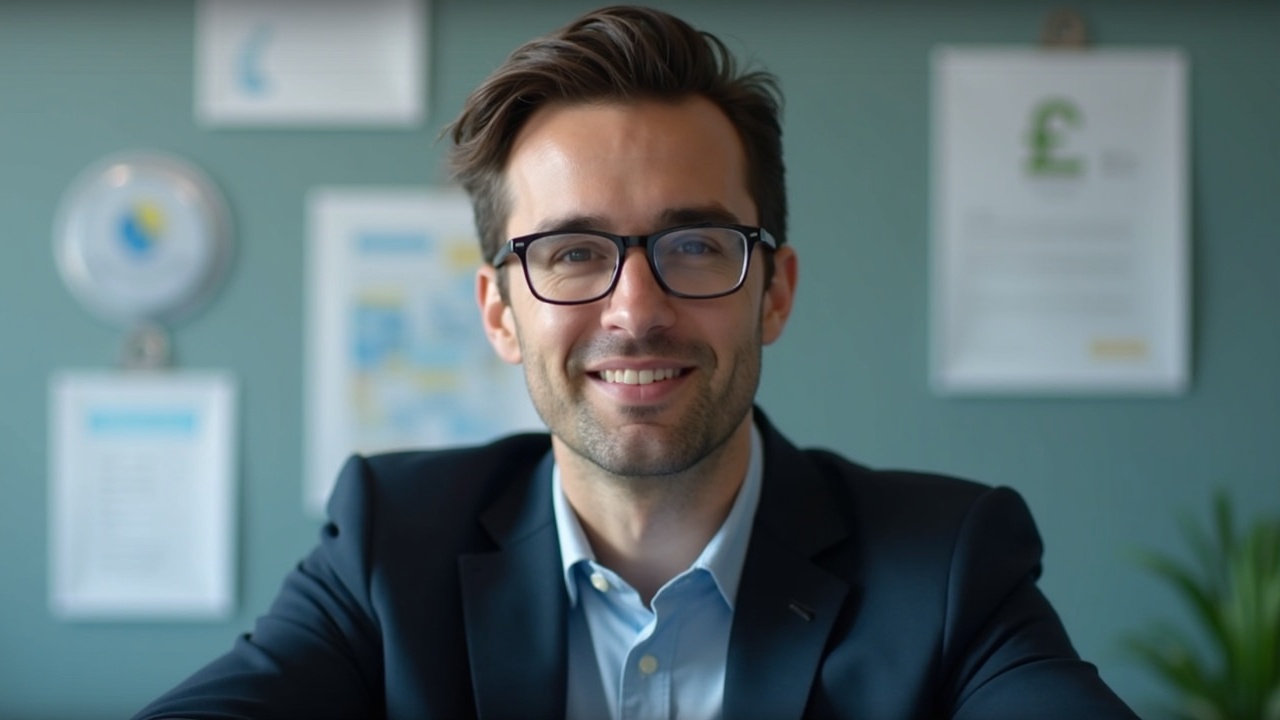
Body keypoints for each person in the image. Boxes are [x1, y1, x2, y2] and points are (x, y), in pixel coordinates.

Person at [136, 6, 1139, 719]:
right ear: (498, 312)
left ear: (774, 289)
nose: (634, 309)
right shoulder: (386, 547)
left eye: (695, 245)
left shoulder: (946, 566)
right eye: (571, 253)